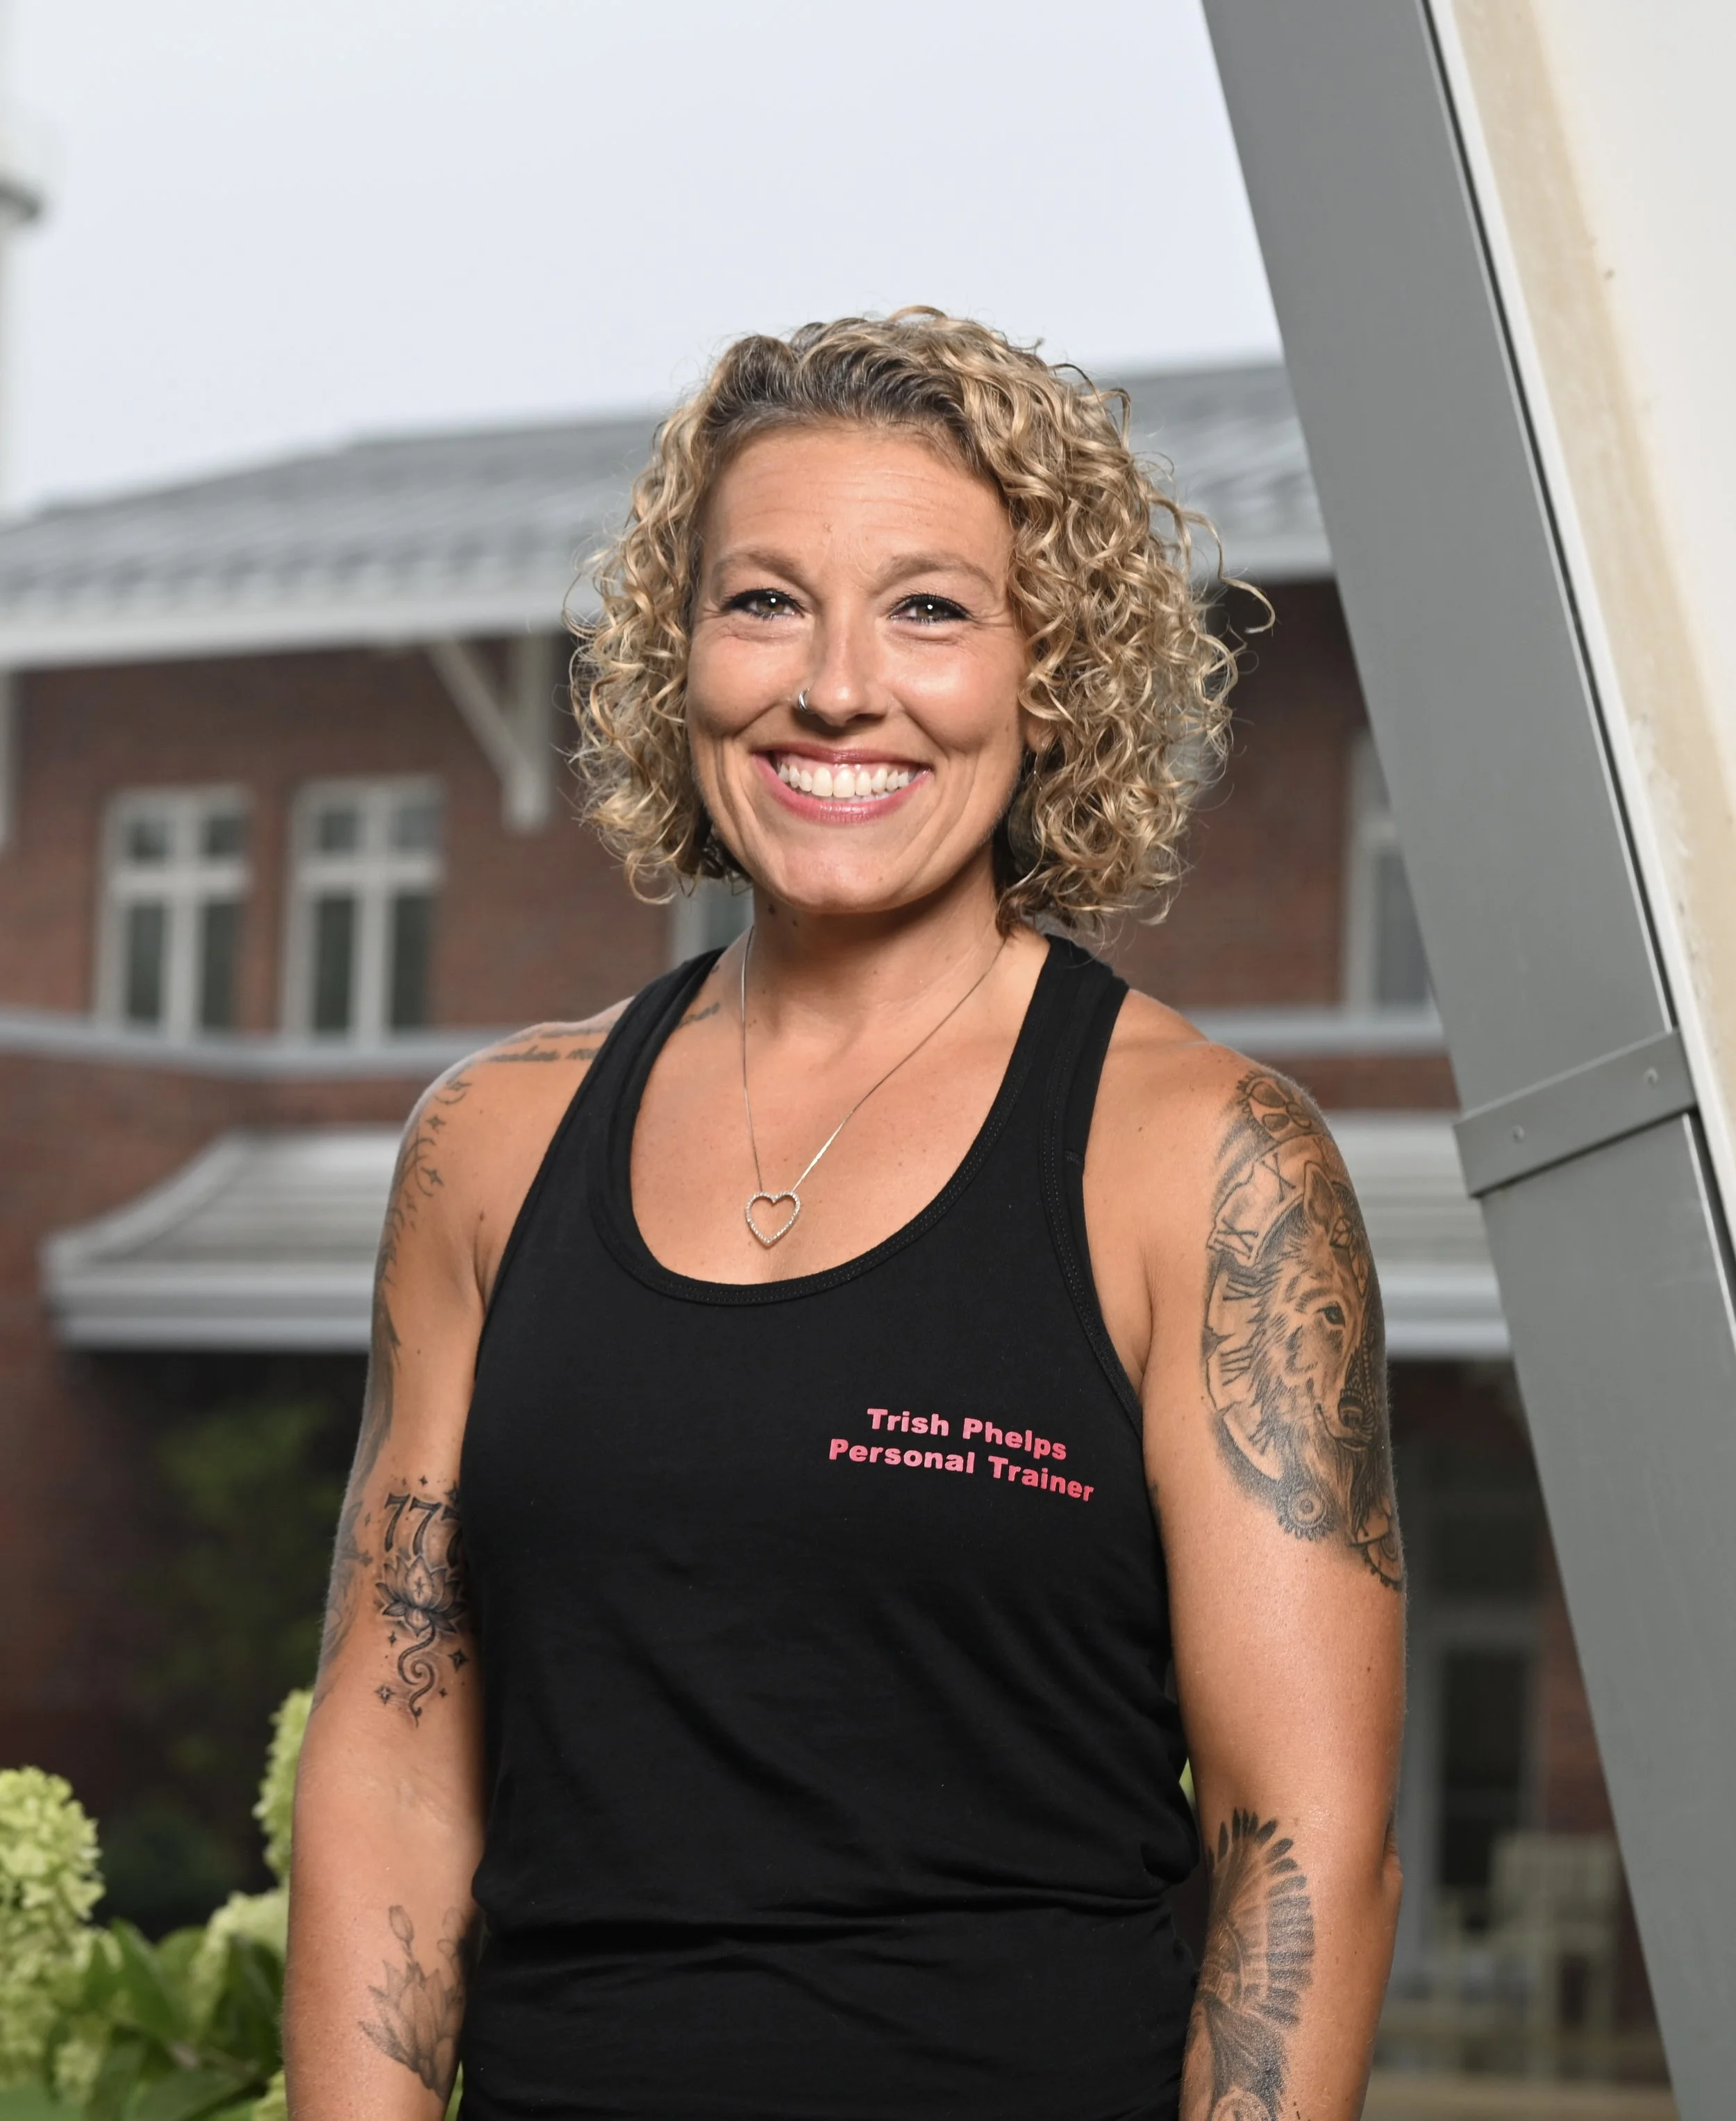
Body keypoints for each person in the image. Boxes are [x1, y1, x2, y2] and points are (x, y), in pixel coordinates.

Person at [285, 309, 1404, 2121]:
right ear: (679, 654)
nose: (834, 688)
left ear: (1052, 675)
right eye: (764, 602)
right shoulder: (488, 1148)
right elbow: (393, 1767)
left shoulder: (1204, 1159)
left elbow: (1307, 1843)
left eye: (929, 609)